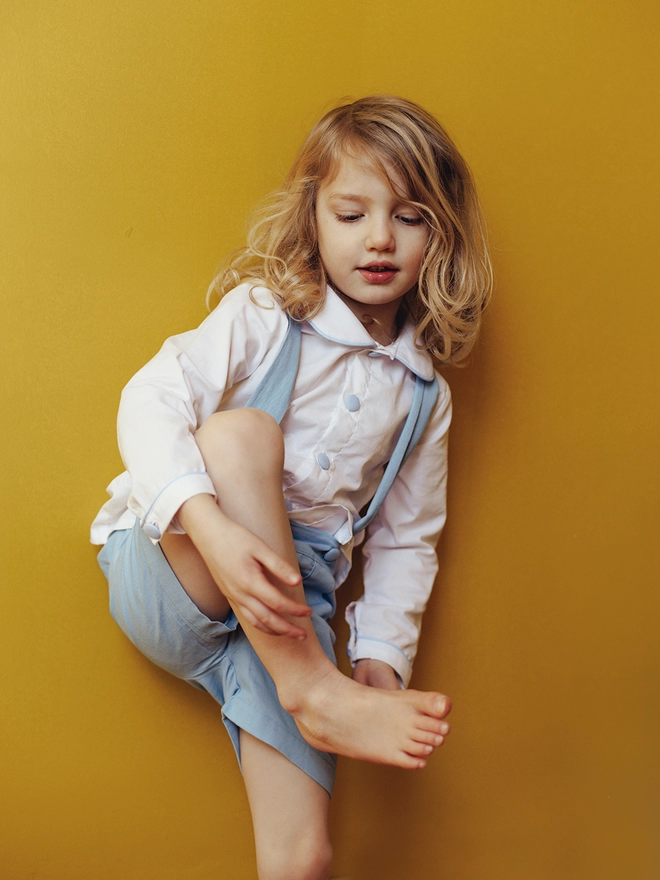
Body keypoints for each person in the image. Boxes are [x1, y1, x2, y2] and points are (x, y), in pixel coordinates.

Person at [91, 95, 491, 880]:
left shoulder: (423, 395)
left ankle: (320, 690)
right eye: (352, 213)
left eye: (409, 217)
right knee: (243, 435)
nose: (379, 238)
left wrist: (378, 665)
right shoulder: (267, 316)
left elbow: (409, 538)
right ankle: (317, 689)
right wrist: (209, 528)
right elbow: (149, 398)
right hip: (186, 570)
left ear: (441, 236)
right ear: (313, 218)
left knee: (303, 856)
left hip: (289, 621)